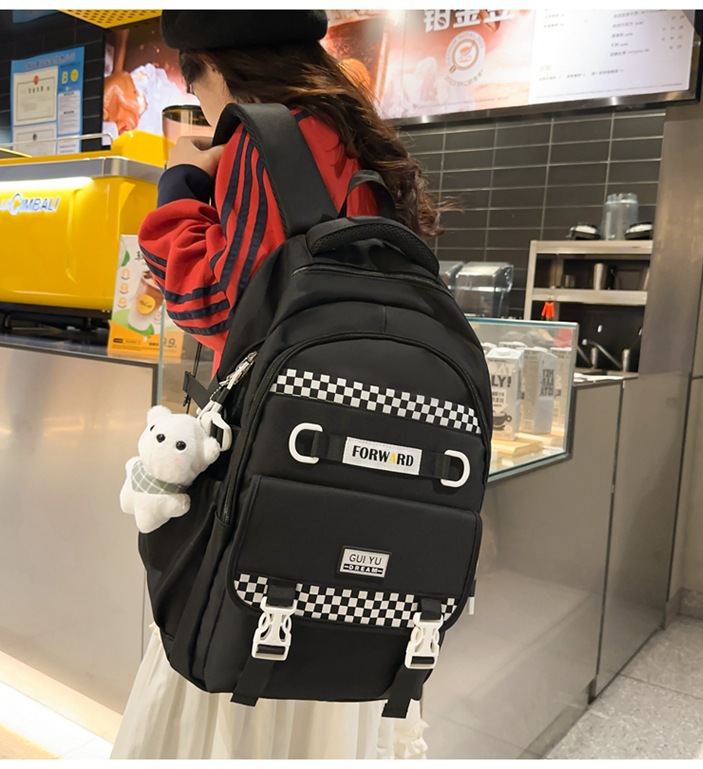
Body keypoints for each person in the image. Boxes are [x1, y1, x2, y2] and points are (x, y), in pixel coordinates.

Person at [111, 10, 442, 760]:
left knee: (234, 675)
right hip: (360, 475)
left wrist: (181, 182)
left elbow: (220, 307)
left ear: (212, 68)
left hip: (274, 478)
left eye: (197, 90)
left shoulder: (270, 138)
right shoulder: (362, 139)